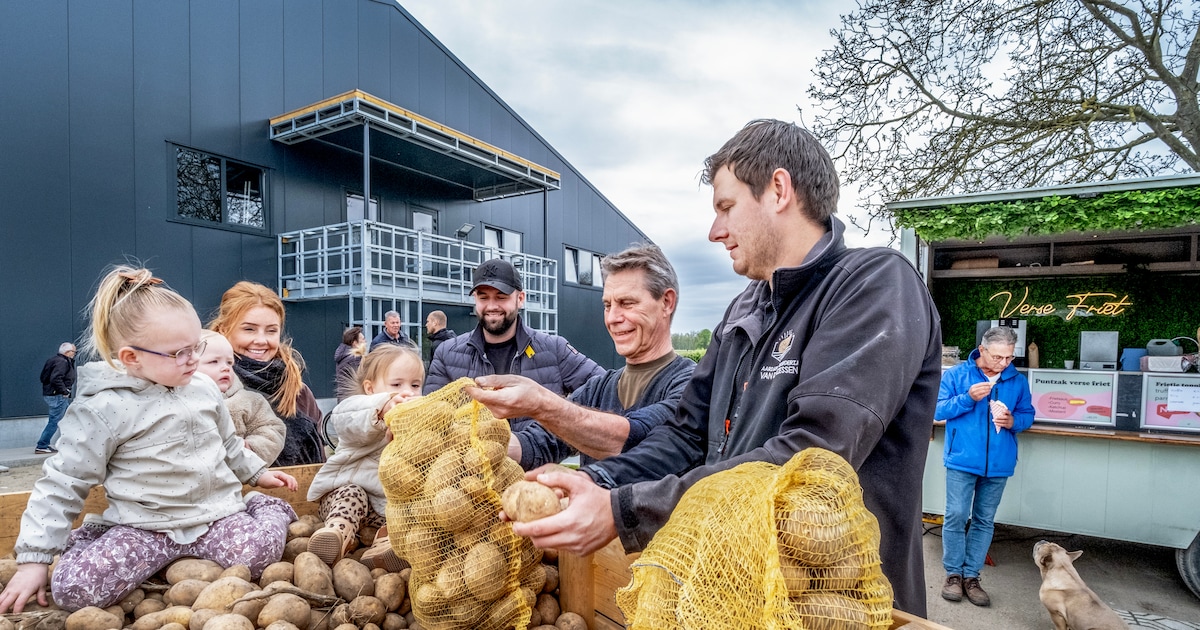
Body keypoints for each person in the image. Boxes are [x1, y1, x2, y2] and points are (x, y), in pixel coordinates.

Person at [505, 120, 942, 616]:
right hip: (736, 592)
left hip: (837, 605)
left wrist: (624, 511)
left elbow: (812, 457)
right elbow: (684, 438)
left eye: (726, 207)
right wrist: (601, 484)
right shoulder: (743, 311)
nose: (715, 231)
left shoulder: (874, 285)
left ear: (778, 190)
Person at [0, 266, 298, 615]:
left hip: (215, 516)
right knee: (73, 592)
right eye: (179, 353)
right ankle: (90, 538)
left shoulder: (202, 389)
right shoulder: (103, 409)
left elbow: (228, 443)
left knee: (258, 555)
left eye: (195, 347)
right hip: (143, 527)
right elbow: (64, 482)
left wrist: (256, 473)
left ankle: (265, 507)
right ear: (131, 357)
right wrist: (34, 559)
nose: (194, 360)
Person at [467, 243, 695, 474]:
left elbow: (637, 438)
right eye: (607, 305)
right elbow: (539, 442)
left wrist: (541, 403)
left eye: (627, 303)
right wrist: (479, 448)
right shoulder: (598, 388)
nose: (613, 318)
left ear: (666, 302)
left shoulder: (693, 384)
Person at [424, 258, 605, 432]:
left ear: (520, 299)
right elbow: (428, 421)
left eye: (501, 297)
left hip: (538, 463)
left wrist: (560, 414)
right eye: (483, 297)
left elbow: (606, 390)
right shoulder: (447, 354)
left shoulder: (554, 349)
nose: (491, 306)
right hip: (470, 462)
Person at [935, 325, 1034, 607]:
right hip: (961, 459)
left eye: (1009, 358)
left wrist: (1014, 422)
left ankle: (971, 577)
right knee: (955, 515)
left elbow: (1028, 414)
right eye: (997, 357)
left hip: (999, 463)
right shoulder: (956, 375)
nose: (1003, 363)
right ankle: (953, 574)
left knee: (984, 520)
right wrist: (968, 398)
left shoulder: (1017, 381)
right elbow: (937, 410)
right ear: (982, 350)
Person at [307, 344, 423, 570]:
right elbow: (346, 417)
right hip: (342, 497)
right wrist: (382, 408)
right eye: (396, 384)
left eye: (415, 385)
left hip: (383, 510)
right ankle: (336, 534)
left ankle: (384, 545)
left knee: (409, 512)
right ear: (370, 389)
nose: (407, 392)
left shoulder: (415, 420)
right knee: (353, 493)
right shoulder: (359, 410)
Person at [208, 281, 325, 467]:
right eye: (249, 329)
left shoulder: (296, 391)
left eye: (271, 331)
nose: (261, 340)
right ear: (224, 329)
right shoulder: (205, 385)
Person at [196, 330, 287, 465]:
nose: (225, 368)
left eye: (229, 363)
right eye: (214, 361)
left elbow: (273, 429)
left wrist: (251, 447)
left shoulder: (249, 400)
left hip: (240, 476)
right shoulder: (179, 401)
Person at [36, 342, 76, 454]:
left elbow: (43, 377)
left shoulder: (54, 360)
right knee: (54, 421)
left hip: (53, 394)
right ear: (68, 352)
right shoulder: (62, 362)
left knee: (67, 418)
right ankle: (42, 445)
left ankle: (66, 443)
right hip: (58, 396)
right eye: (74, 352)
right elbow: (56, 378)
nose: (74, 354)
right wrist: (64, 391)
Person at [334, 326, 366, 401]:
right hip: (353, 398)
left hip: (343, 396)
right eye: (363, 339)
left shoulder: (343, 354)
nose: (365, 342)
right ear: (355, 343)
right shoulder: (355, 358)